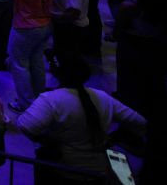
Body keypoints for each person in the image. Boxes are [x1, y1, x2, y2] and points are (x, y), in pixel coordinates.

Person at [18, 52, 146, 183]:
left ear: (57, 73)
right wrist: (116, 137)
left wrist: (47, 142)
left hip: (63, 170)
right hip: (100, 172)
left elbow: (25, 125)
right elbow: (140, 122)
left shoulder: (50, 99)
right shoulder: (103, 97)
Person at [7, 0, 56, 113]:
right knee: (37, 62)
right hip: (45, 24)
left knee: (19, 64)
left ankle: (25, 102)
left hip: (25, 26)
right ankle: (38, 98)